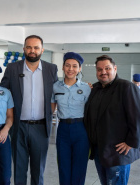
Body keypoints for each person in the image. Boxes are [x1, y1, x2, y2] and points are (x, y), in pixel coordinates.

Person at [0, 35, 58, 185]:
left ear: (42, 50)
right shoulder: (13, 68)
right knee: (19, 169)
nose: (32, 51)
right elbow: (0, 91)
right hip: (19, 127)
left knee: (38, 171)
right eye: (29, 47)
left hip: (41, 127)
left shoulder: (51, 69)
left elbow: (57, 93)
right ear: (24, 49)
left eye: (36, 47)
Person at [84, 55, 140, 185]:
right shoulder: (95, 89)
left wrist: (131, 142)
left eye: (107, 68)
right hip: (100, 150)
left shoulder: (126, 87)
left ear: (115, 68)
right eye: (99, 69)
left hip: (118, 152)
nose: (103, 72)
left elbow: (139, 117)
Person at [51, 52, 90, 185]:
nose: (70, 69)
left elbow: (91, 111)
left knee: (79, 167)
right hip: (62, 129)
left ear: (79, 69)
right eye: (67, 65)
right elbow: (51, 109)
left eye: (74, 66)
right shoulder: (55, 87)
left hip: (81, 129)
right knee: (63, 166)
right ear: (63, 67)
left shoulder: (86, 88)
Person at [132, 73, 140, 152]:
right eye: (135, 83)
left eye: (138, 83)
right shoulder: (129, 86)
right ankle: (134, 143)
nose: (137, 85)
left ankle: (138, 144)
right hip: (132, 111)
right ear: (133, 81)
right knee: (133, 128)